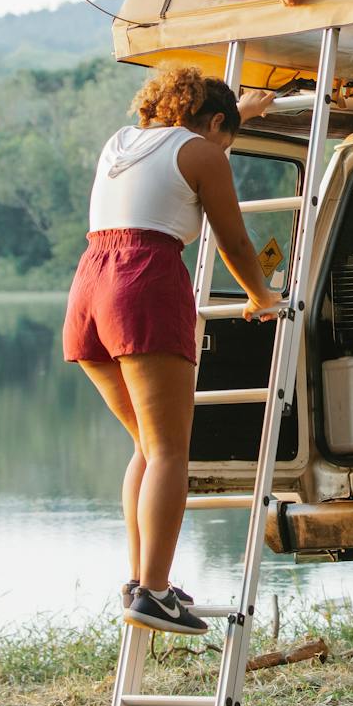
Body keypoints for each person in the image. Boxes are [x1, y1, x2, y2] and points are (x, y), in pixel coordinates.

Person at [64, 65, 281, 634]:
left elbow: (182, 143)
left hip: (89, 286)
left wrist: (244, 113)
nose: (224, 151)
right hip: (143, 283)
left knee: (146, 444)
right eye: (227, 137)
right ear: (213, 125)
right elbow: (232, 238)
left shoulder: (122, 141)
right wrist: (262, 294)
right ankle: (155, 593)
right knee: (169, 453)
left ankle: (141, 581)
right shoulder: (204, 154)